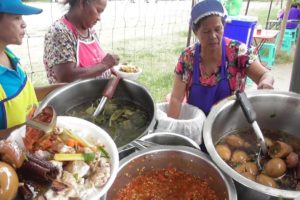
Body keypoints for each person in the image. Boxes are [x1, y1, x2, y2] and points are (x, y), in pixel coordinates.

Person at [167, 0, 274, 118]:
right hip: (197, 124)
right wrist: (171, 128)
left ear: (223, 27)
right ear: (196, 32)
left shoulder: (237, 51)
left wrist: (266, 81)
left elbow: (265, 75)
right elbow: (176, 99)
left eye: (217, 29)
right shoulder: (188, 58)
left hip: (229, 124)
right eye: (206, 31)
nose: (213, 36)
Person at [0, 0, 64, 138]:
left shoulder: (8, 55)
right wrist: (33, 127)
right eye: (17, 18)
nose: (24, 24)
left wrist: (61, 88)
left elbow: (22, 96)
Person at [43, 0, 120, 84]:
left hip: (96, 94)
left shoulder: (89, 30)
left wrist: (108, 69)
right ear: (82, 3)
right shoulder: (60, 31)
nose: (99, 18)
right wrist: (104, 65)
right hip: (75, 96)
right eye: (98, 11)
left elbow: (94, 62)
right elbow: (65, 77)